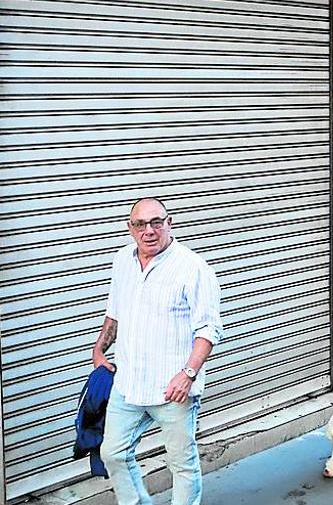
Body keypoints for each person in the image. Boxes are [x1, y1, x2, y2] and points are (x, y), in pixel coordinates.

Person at [92, 198, 222, 505]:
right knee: (113, 453)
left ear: (169, 223)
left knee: (182, 464)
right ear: (130, 228)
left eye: (156, 223)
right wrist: (99, 349)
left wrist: (188, 373)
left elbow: (209, 330)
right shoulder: (123, 260)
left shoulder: (193, 268)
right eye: (140, 224)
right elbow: (115, 311)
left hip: (173, 389)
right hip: (128, 383)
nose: (148, 231)